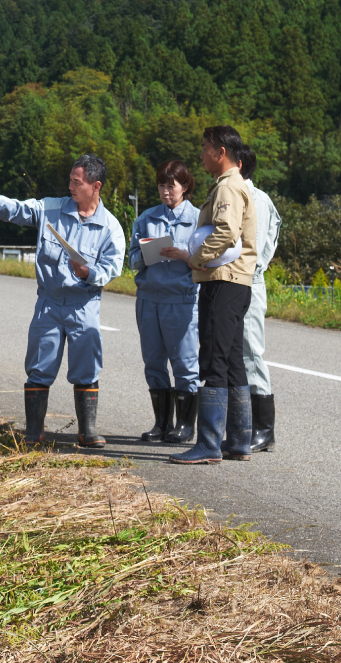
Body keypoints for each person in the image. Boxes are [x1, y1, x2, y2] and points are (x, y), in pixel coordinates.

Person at [0, 154, 127, 448]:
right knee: (39, 365)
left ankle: (87, 432)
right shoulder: (51, 208)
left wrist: (90, 272)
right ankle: (34, 432)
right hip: (49, 302)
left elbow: (113, 267)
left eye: (76, 182)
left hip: (84, 304)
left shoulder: (111, 228)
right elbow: (19, 210)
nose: (70, 186)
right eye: (70, 180)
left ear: (96, 185)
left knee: (86, 368)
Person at [167, 125, 259, 465]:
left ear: (220, 152)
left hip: (222, 281)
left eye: (205, 147)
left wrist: (195, 258)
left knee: (213, 361)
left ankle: (207, 443)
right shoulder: (233, 185)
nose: (202, 154)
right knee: (233, 360)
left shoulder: (228, 188)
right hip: (237, 283)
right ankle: (237, 441)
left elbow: (225, 232)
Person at [129, 160, 201, 443]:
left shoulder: (198, 218)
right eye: (161, 185)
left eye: (171, 185)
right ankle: (161, 423)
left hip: (181, 299)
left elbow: (207, 259)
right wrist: (150, 254)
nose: (166, 191)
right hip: (148, 299)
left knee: (184, 363)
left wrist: (183, 254)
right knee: (153, 363)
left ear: (185, 186)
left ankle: (185, 425)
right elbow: (132, 259)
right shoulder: (146, 218)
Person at [238, 144, 282, 452]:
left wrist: (257, 267)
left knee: (251, 352)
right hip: (238, 279)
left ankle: (265, 431)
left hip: (248, 280)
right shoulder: (242, 196)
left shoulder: (255, 199)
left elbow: (260, 242)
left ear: (237, 164)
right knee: (235, 352)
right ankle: (247, 425)